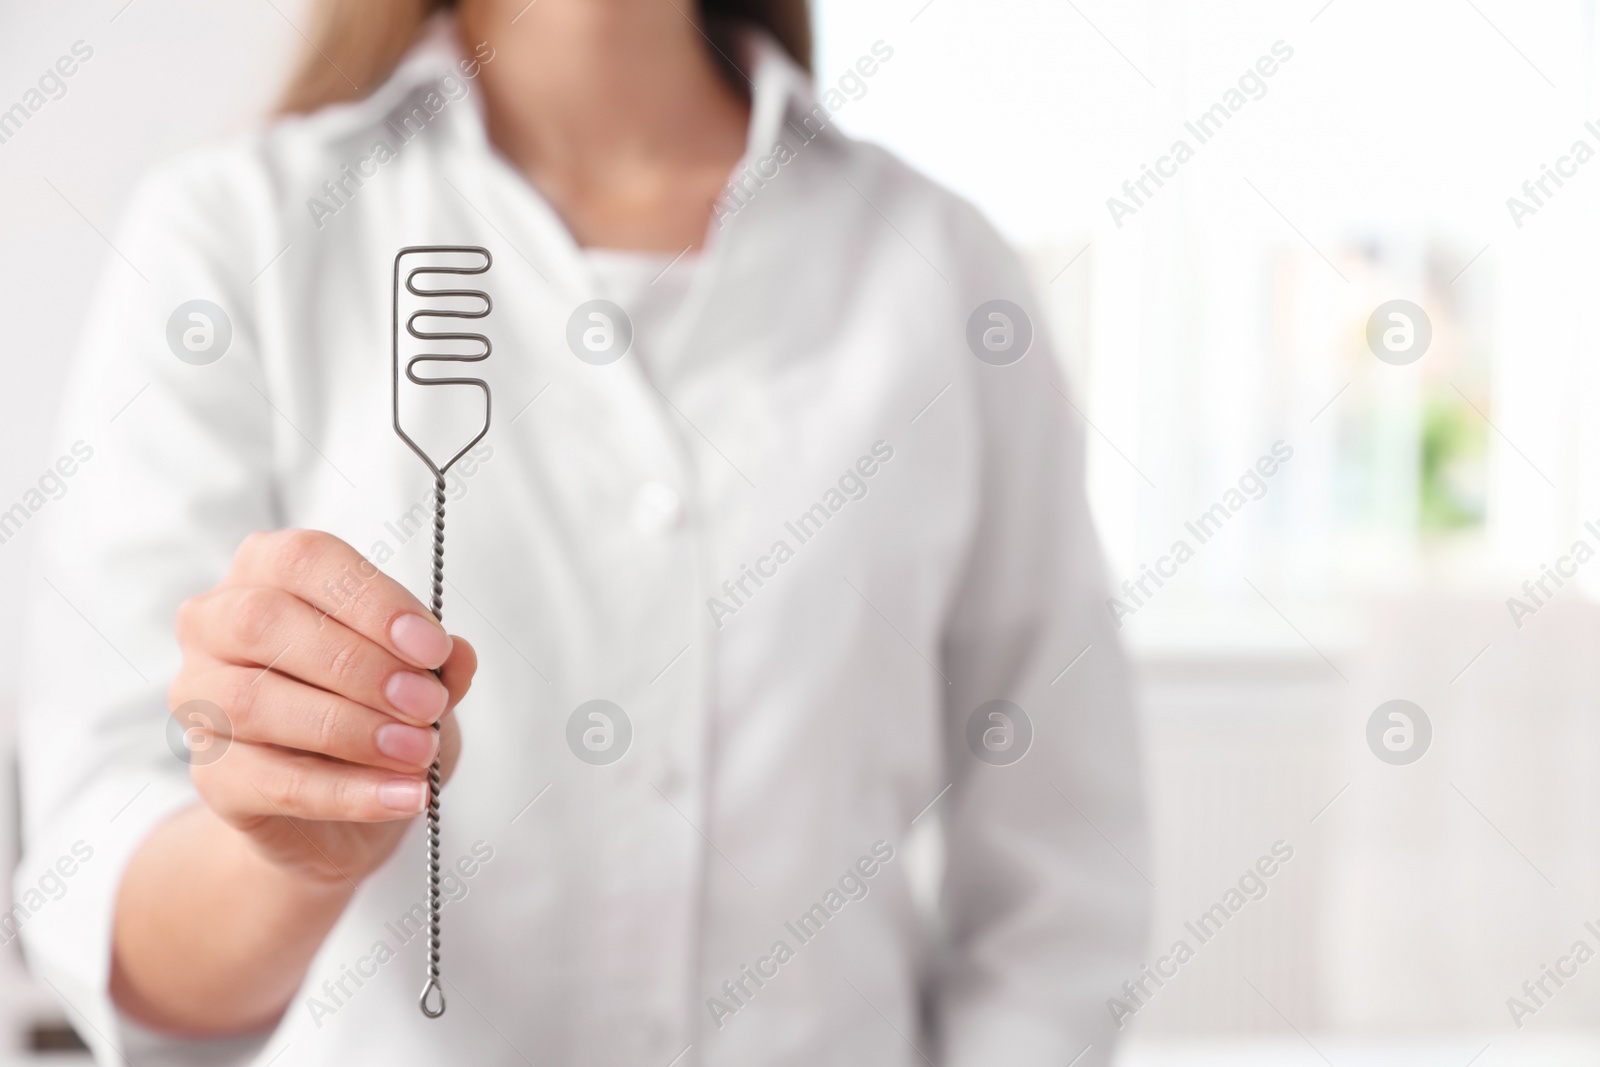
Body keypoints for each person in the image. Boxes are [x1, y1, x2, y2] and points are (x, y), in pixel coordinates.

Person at [17, 0, 1149, 1063]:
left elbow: (1062, 880)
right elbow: (105, 904)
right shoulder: (237, 231)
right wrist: (286, 864)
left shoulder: (940, 270)